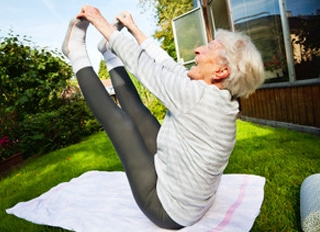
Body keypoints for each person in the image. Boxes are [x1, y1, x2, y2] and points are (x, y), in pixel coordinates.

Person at [62, 5, 265, 229]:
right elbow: (166, 63)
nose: (198, 50)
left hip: (166, 210)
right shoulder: (219, 98)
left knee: (122, 125)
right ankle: (109, 54)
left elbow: (143, 64)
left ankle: (75, 51)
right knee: (142, 116)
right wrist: (134, 29)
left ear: (221, 72)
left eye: (209, 49)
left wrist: (100, 22)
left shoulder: (196, 96)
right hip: (190, 200)